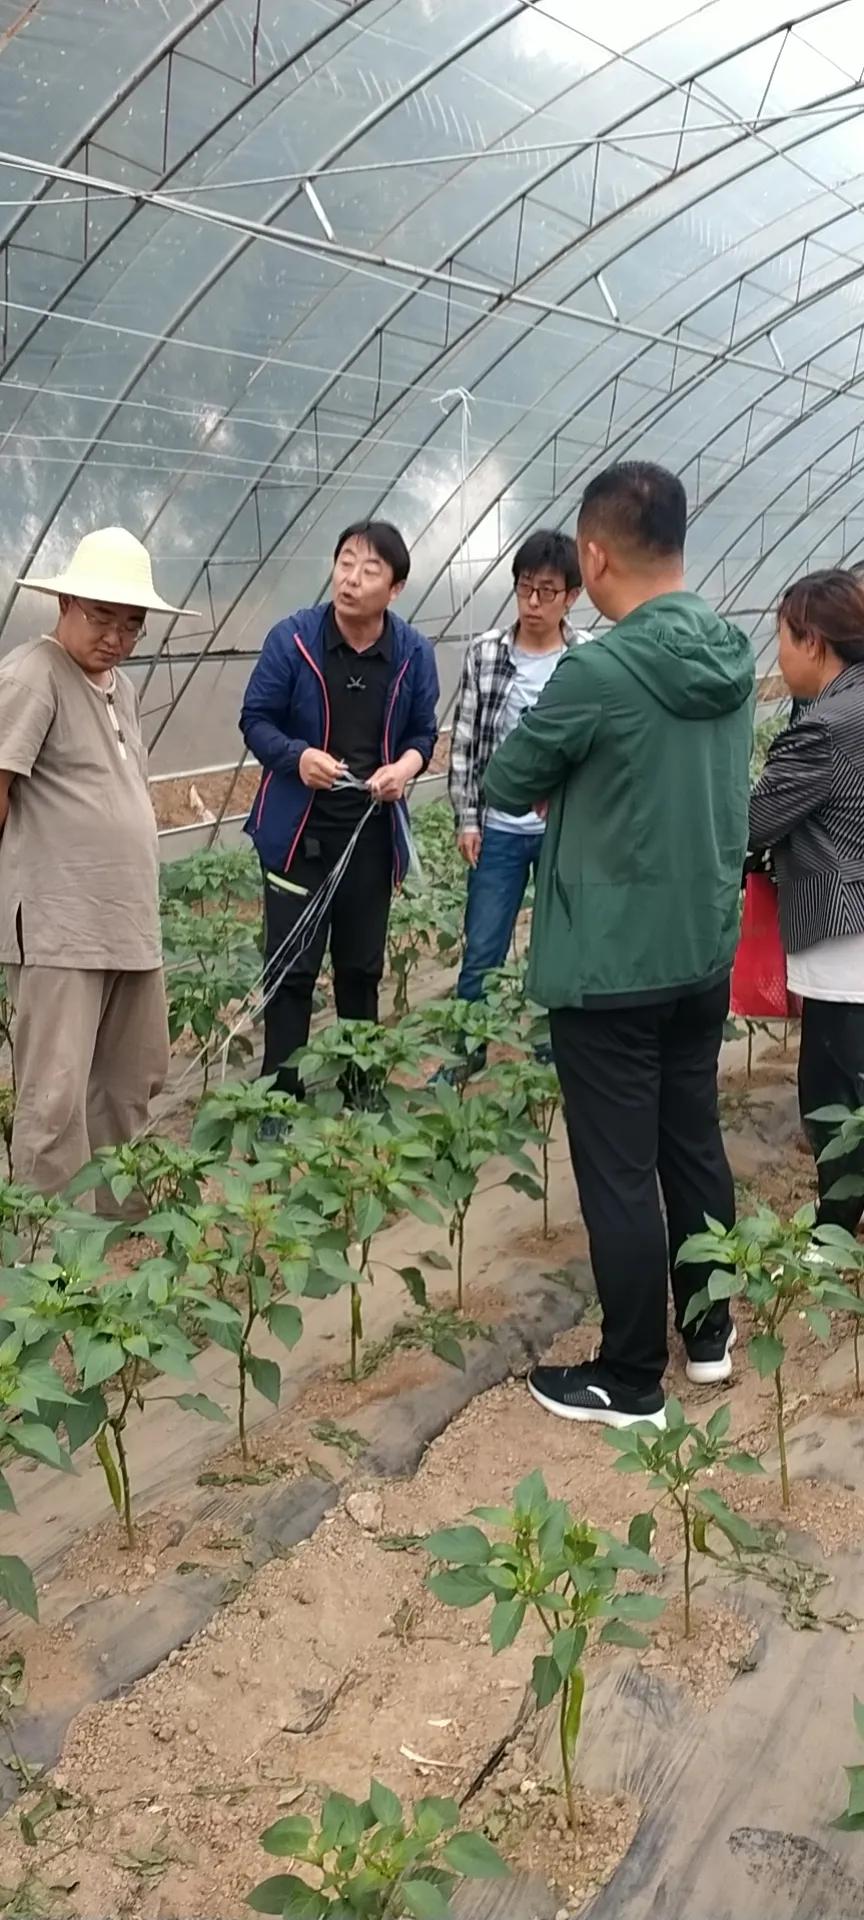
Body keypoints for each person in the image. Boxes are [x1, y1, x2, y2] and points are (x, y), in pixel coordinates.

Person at [485, 463, 755, 1430]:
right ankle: (711, 1333)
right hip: (698, 951)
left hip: (608, 964)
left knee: (616, 1171)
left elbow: (510, 781)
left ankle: (632, 1376)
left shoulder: (598, 672)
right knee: (692, 1144)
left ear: (593, 556)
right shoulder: (730, 653)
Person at [0, 527, 181, 1195]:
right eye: (102, 617)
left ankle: (107, 1242)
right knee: (54, 1096)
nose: (116, 636)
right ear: (66, 604)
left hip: (126, 923)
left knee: (129, 1080)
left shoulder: (120, 689)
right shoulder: (32, 674)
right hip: (60, 924)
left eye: (131, 623)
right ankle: (51, 1256)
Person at [241, 520, 439, 1100]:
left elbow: (423, 734)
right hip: (296, 836)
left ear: (395, 588)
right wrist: (296, 757)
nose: (351, 579)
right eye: (345, 561)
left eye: (369, 569)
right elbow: (255, 720)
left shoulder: (412, 653)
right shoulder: (293, 639)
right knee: (291, 972)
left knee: (360, 969)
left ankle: (360, 1084)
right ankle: (281, 1093)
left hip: (370, 839)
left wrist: (404, 769)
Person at [447, 529, 586, 1075]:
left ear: (571, 596)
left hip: (562, 830)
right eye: (525, 588)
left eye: (546, 592)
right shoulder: (486, 654)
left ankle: (555, 1049)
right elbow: (464, 742)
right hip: (499, 828)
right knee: (483, 943)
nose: (532, 603)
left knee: (559, 944)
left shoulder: (587, 658)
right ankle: (467, 1051)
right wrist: (468, 818)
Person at [749, 569, 864, 1230]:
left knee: (833, 1090)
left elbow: (755, 821)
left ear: (813, 641)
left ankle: (836, 1225)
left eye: (784, 640)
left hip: (846, 933)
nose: (781, 657)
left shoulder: (827, 726)